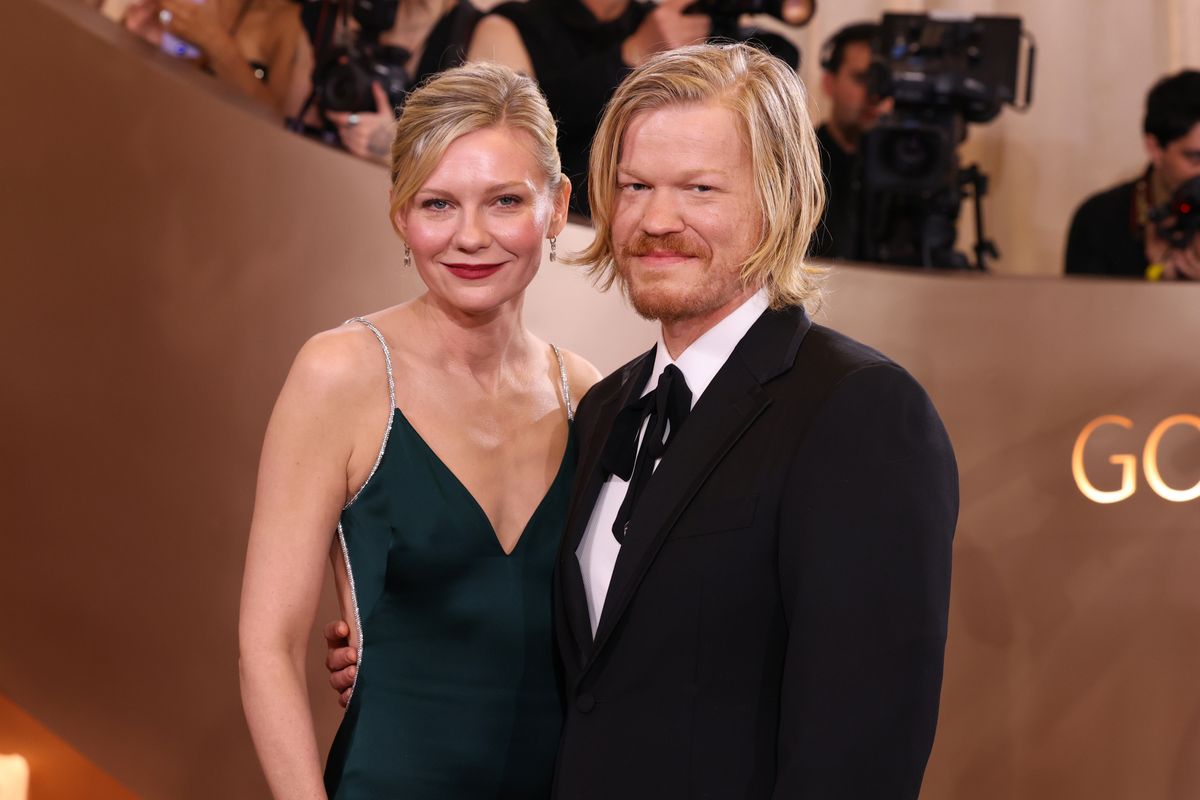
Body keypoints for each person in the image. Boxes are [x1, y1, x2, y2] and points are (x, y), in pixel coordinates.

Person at [329, 42, 958, 798]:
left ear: (782, 197)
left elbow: (860, 752)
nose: (658, 220)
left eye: (700, 188)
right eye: (635, 186)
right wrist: (415, 645)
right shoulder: (605, 407)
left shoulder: (859, 410)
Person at [239, 61, 600, 799]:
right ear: (400, 214)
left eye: (505, 201)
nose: (471, 237)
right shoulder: (341, 374)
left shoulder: (587, 396)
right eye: (438, 204)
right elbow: (267, 647)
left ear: (557, 206)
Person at [468, 0, 813, 217]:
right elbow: (511, 146)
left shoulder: (669, 21)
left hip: (653, 229)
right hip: (556, 232)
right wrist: (632, 55)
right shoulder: (510, 25)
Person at [305, 0, 483, 164]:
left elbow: (473, 168)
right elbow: (298, 131)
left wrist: (398, 149)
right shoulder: (337, 14)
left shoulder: (477, 31)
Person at [1065, 69, 1200, 280]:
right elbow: (1084, 301)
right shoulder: (1100, 220)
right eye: (1195, 158)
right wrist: (1154, 279)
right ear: (1155, 149)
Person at [121, 0, 309, 118]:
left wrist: (215, 42)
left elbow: (279, 125)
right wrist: (153, 41)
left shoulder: (289, 22)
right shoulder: (188, 6)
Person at [811, 21, 891, 259]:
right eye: (862, 78)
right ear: (829, 82)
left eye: (885, 81)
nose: (874, 95)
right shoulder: (795, 162)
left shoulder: (917, 171)